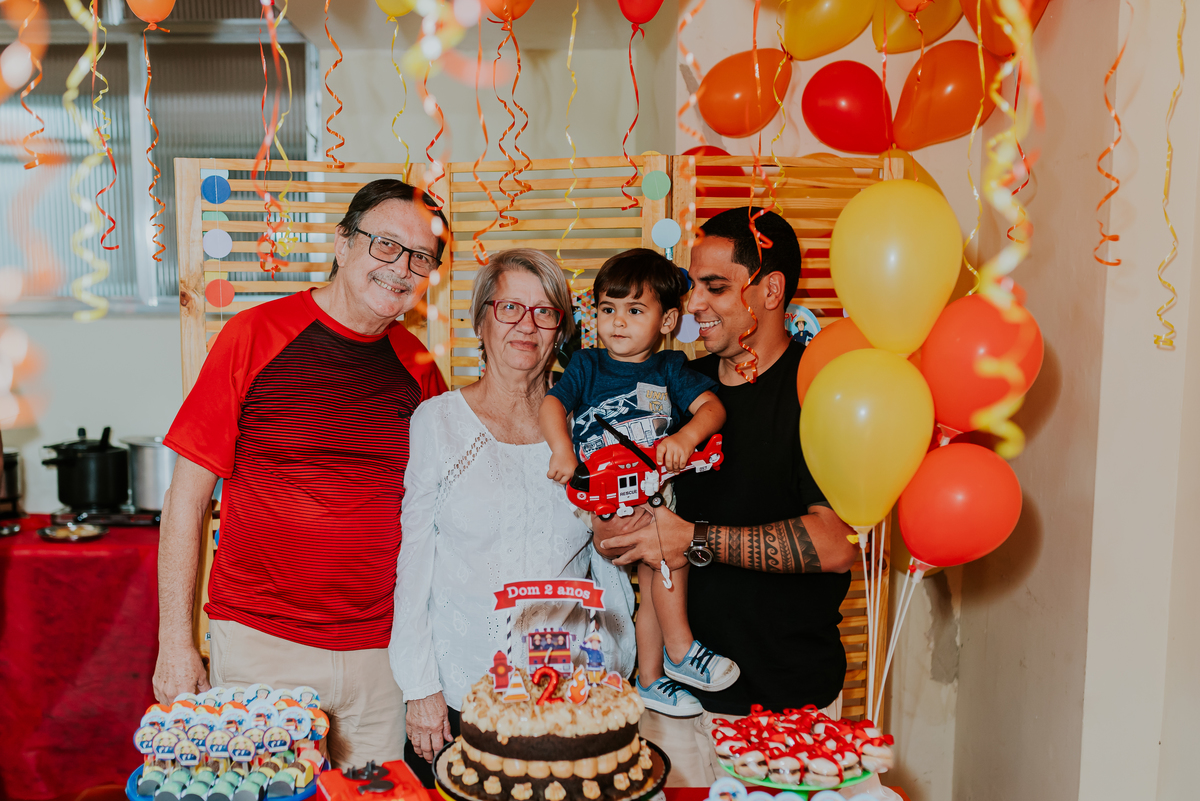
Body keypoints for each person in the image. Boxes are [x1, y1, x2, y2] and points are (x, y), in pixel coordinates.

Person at [154, 179, 449, 767]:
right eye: (386, 245)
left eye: (421, 257)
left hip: (380, 657)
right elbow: (185, 499)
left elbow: (439, 522)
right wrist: (174, 643)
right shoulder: (254, 336)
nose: (402, 268)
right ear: (342, 244)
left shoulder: (418, 367)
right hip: (264, 647)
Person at [594, 208, 858, 785]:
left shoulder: (819, 391)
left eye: (715, 287)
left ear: (771, 290)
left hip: (787, 708)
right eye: (693, 288)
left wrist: (692, 539)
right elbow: (618, 522)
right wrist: (615, 526)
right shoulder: (674, 387)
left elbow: (837, 544)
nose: (693, 305)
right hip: (673, 707)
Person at [391, 248, 636, 786]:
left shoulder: (586, 425)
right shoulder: (438, 423)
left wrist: (619, 670)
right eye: (509, 308)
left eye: (545, 312)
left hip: (572, 696)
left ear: (560, 332)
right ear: (480, 320)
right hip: (464, 693)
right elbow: (413, 565)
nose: (527, 325)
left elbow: (607, 563)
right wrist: (419, 687)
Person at [539, 248, 736, 717]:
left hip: (649, 488)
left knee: (655, 579)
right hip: (606, 495)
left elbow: (714, 409)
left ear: (668, 321)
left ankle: (649, 680)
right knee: (671, 555)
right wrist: (563, 450)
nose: (617, 322)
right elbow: (551, 405)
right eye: (608, 309)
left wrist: (687, 438)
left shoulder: (669, 370)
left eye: (634, 310)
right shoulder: (587, 365)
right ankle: (682, 650)